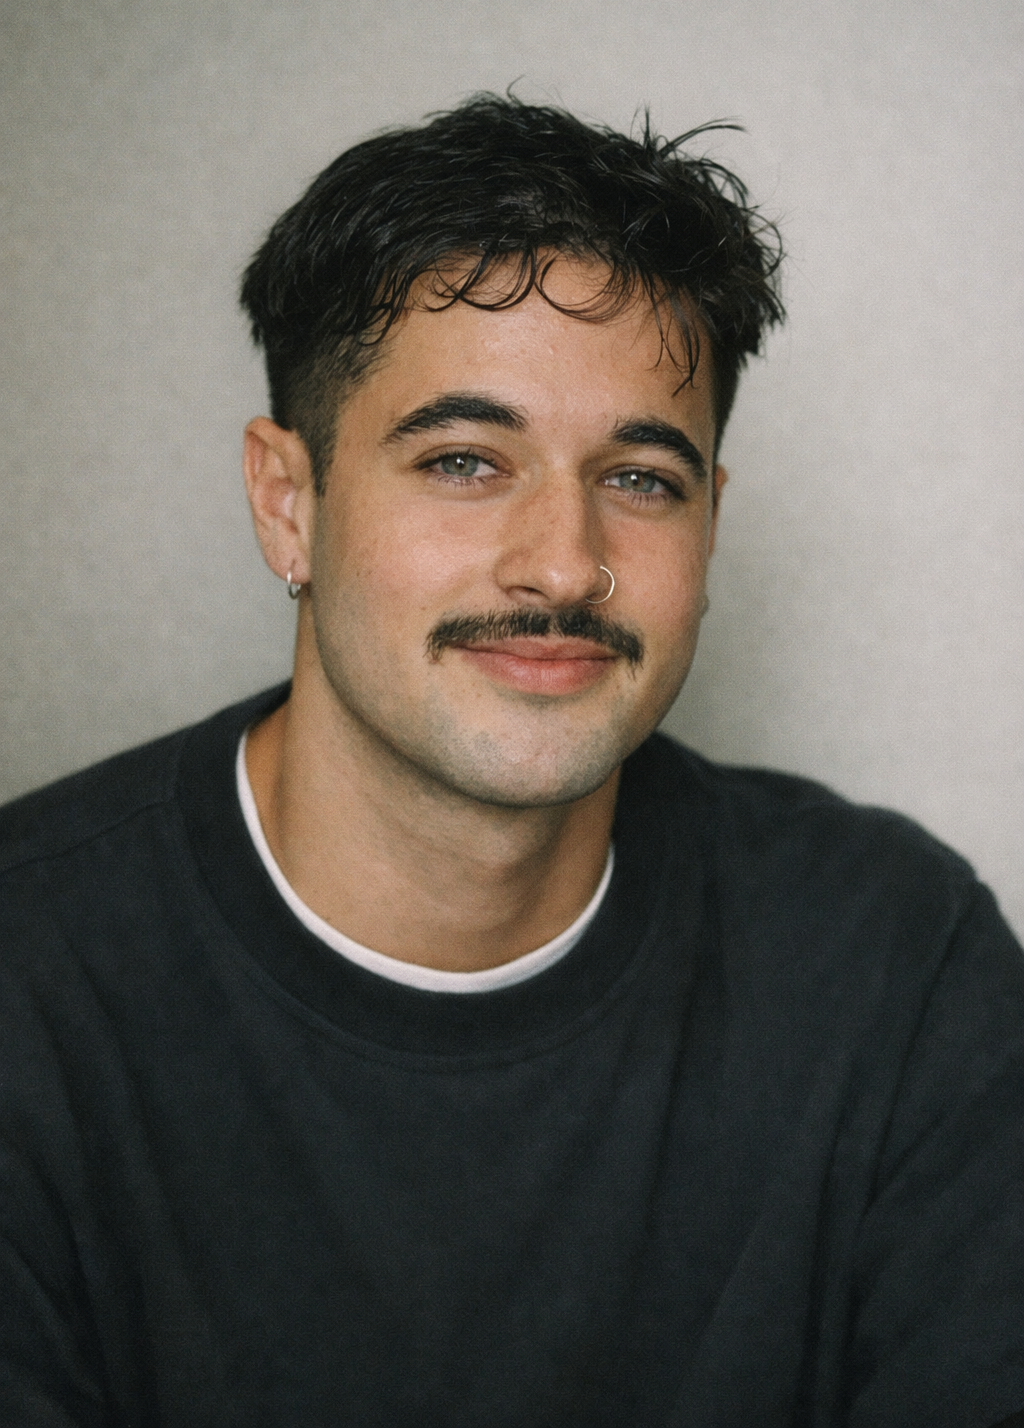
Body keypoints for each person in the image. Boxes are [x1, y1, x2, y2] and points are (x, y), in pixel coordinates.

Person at [1, 95, 1021, 1428]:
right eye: (466, 460)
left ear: (711, 523)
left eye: (643, 478)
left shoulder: (897, 965)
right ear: (287, 501)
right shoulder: (29, 983)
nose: (564, 561)